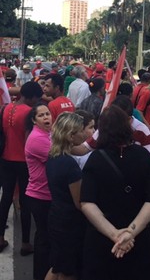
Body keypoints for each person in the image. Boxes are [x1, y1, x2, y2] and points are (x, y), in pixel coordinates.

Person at [80, 105, 150, 280]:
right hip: (137, 236)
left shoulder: (95, 159)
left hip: (103, 237)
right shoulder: (143, 156)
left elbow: (87, 202)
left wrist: (115, 234)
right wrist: (129, 233)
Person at [0, 81, 43, 254]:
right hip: (24, 162)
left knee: (6, 199)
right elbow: (29, 140)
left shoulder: (5, 109)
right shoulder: (29, 113)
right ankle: (25, 243)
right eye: (36, 98)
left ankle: (0, 238)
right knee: (26, 202)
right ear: (31, 97)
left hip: (5, 159)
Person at [46, 112, 87, 280]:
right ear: (71, 135)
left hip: (56, 217)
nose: (84, 134)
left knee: (57, 266)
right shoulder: (70, 165)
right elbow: (79, 203)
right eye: (81, 130)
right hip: (69, 224)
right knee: (67, 271)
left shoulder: (53, 156)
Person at [25, 103, 54, 280]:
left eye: (48, 114)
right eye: (41, 115)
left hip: (46, 194)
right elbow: (60, 155)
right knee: (44, 239)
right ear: (34, 120)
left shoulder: (47, 134)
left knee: (47, 237)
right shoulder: (37, 138)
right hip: (41, 196)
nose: (46, 118)